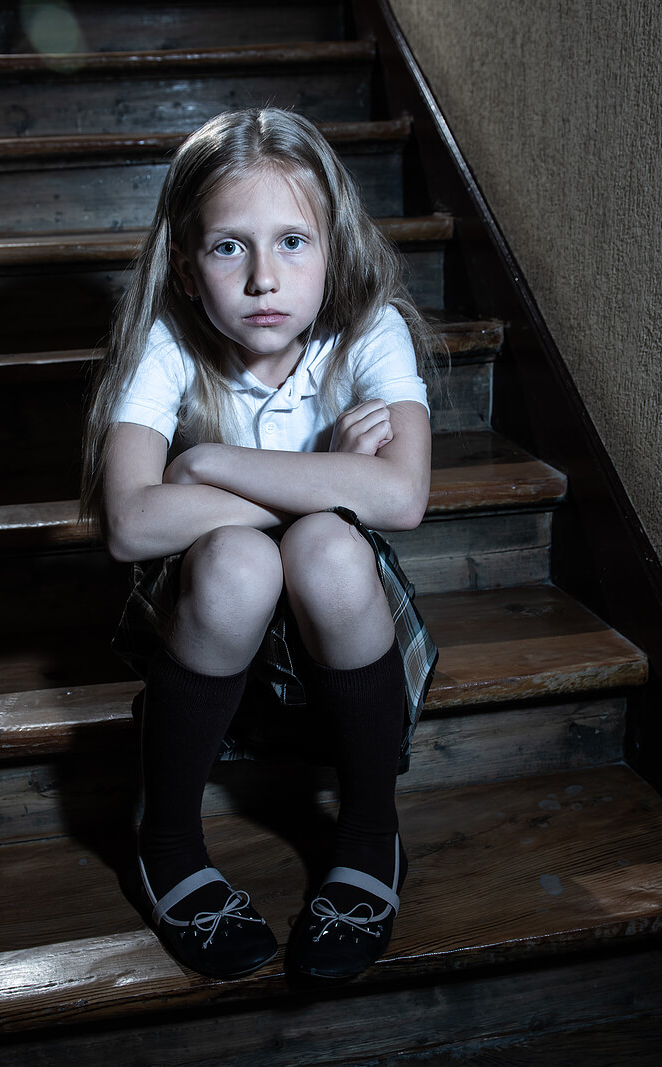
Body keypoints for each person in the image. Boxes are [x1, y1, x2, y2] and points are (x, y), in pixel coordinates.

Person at [81, 107, 438, 982]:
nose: (264, 278)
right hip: (212, 611)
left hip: (334, 612)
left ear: (336, 248)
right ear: (187, 266)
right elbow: (129, 524)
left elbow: (402, 498)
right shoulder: (165, 344)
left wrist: (208, 466)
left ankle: (368, 836)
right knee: (247, 559)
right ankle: (166, 839)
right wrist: (321, 477)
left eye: (293, 241)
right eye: (229, 247)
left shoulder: (371, 330)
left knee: (327, 550)